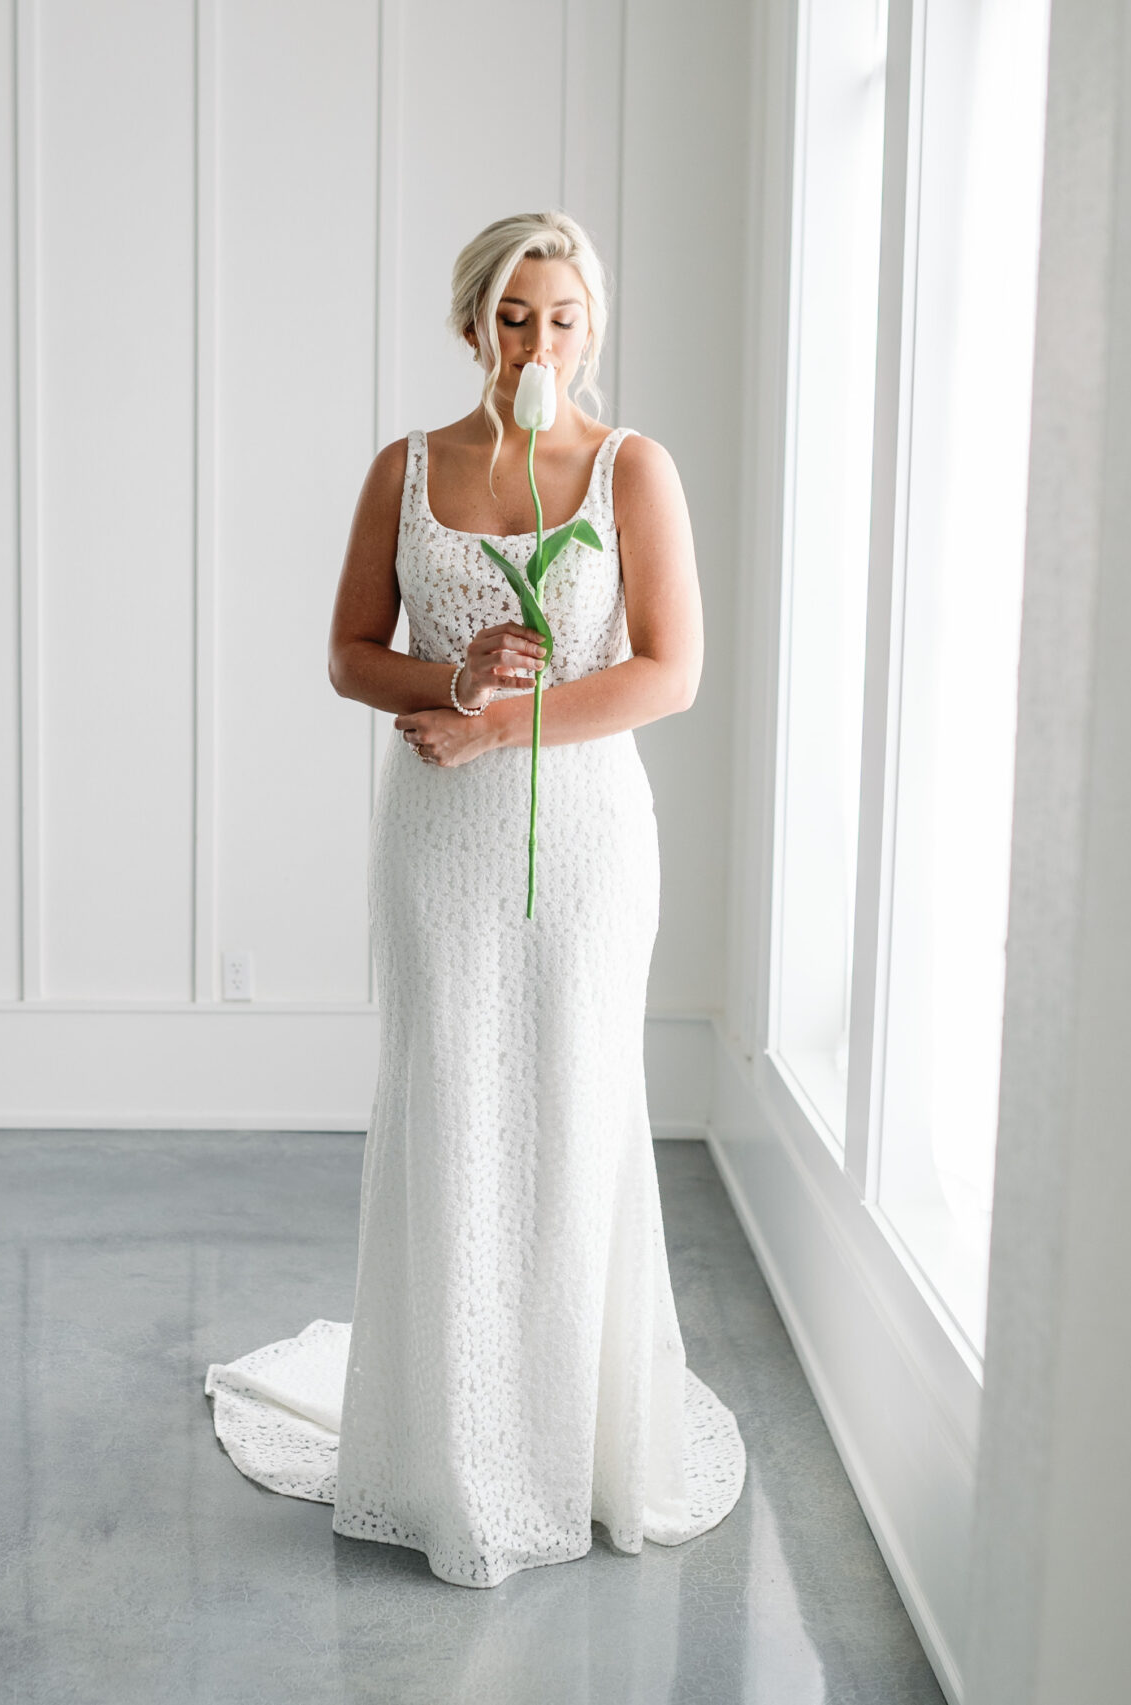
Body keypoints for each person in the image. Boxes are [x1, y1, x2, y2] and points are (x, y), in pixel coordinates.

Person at [203, 210, 744, 1588]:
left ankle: (575, 1438)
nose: (539, 343)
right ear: (471, 325)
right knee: (453, 1102)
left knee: (572, 1107)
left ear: (593, 328)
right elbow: (345, 654)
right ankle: (446, 1443)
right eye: (515, 316)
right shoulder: (408, 468)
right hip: (440, 843)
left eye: (564, 318)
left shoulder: (635, 470)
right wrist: (448, 682)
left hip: (589, 843)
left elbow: (670, 672)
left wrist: (508, 724)